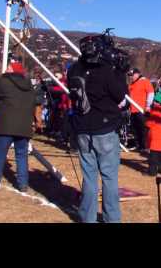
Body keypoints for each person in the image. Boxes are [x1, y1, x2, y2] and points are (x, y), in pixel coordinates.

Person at [67, 35, 128, 223]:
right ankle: (112, 218)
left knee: (89, 177)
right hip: (104, 129)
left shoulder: (74, 69)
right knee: (109, 177)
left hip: (83, 129)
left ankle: (88, 217)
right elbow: (121, 97)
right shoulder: (106, 70)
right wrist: (119, 71)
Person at [0, 61, 36, 193]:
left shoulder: (4, 81)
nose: (6, 69)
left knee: (0, 154)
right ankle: (23, 184)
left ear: (12, 70)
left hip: (6, 124)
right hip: (24, 126)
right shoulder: (29, 85)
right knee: (22, 156)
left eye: (8, 67)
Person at [128, 68, 154, 151]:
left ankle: (145, 146)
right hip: (133, 111)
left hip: (141, 110)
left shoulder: (144, 81)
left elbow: (151, 92)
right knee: (135, 129)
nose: (131, 77)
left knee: (143, 129)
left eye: (132, 75)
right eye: (130, 75)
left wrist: (148, 105)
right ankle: (138, 145)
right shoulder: (131, 84)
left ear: (137, 74)